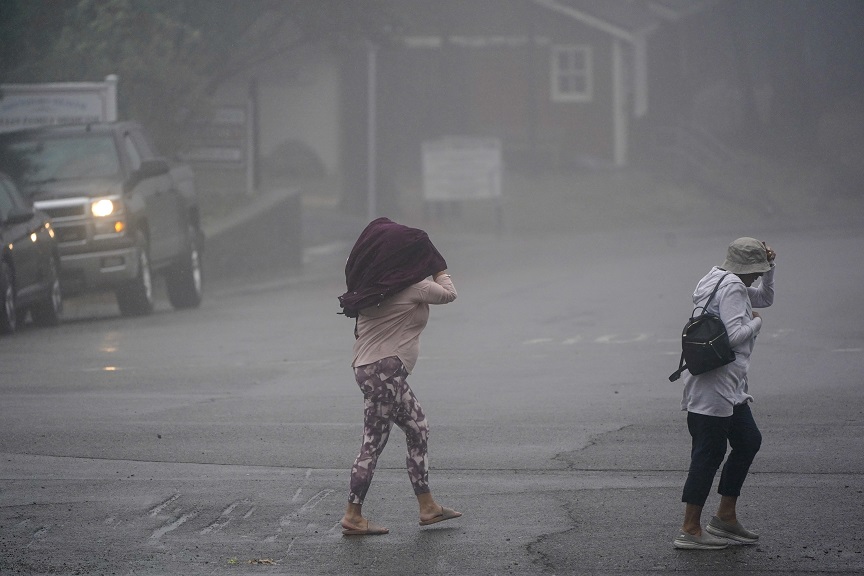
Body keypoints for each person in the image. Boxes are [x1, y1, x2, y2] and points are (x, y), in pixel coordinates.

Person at [338, 218, 462, 536]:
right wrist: (438, 266)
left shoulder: (369, 291)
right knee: (372, 444)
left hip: (371, 371)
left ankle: (428, 506)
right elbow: (449, 294)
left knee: (418, 428)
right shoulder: (414, 287)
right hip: (386, 372)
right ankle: (353, 515)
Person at [673, 237, 777, 550]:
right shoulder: (732, 286)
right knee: (709, 453)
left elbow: (764, 298)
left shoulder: (717, 277)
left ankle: (725, 518)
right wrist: (756, 325)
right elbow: (733, 337)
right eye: (756, 270)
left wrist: (771, 269)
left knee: (748, 441)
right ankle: (690, 528)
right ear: (743, 268)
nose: (757, 276)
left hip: (728, 384)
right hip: (714, 386)